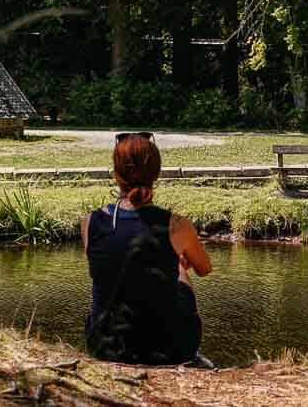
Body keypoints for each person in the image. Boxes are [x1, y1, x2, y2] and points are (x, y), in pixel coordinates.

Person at [81, 132, 212, 365]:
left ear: (116, 174)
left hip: (103, 347)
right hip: (166, 351)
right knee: (181, 274)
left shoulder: (90, 222)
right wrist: (179, 264)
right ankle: (190, 353)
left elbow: (111, 266)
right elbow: (204, 268)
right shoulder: (176, 225)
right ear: (156, 173)